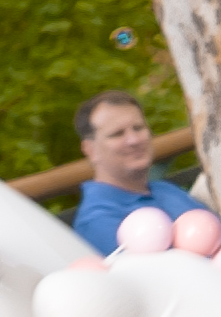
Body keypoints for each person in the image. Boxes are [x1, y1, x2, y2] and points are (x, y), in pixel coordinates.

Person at [68, 90, 203, 257]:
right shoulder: (98, 222)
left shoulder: (165, 189)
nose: (134, 140)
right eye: (117, 134)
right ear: (90, 149)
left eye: (138, 128)